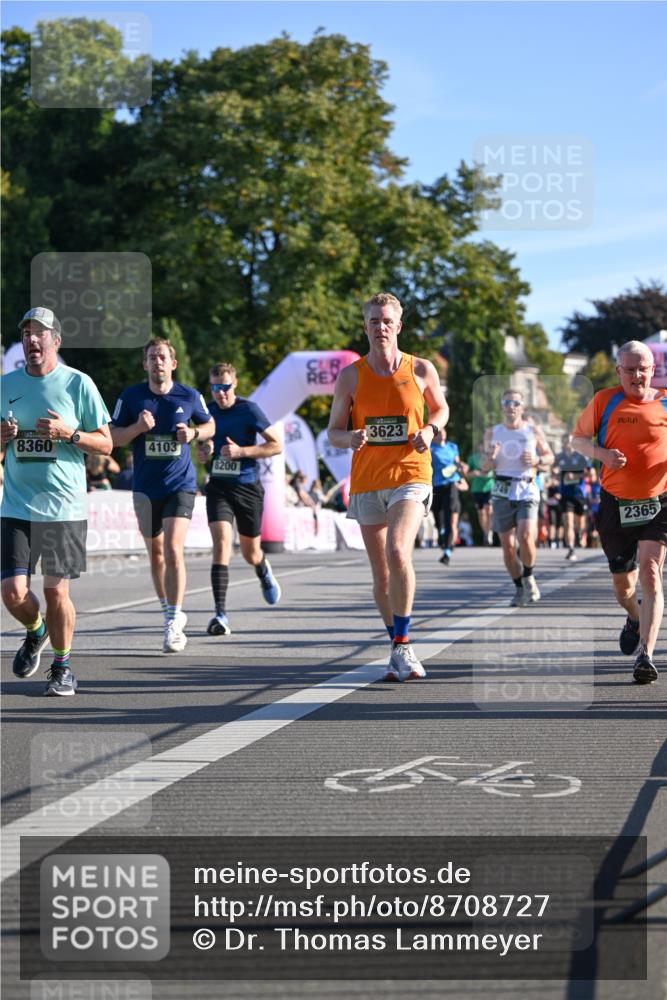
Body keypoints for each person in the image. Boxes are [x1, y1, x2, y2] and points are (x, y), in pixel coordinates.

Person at [327, 292, 448, 682]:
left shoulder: (421, 369)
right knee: (381, 575)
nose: (381, 327)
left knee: (398, 550)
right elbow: (333, 432)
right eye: (374, 321)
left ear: (399, 326)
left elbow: (442, 408)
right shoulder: (351, 375)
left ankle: (404, 642)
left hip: (411, 473)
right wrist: (351, 438)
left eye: (387, 321)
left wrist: (430, 429)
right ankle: (398, 644)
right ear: (365, 327)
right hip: (366, 481)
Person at [1, 307, 112, 696]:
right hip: (16, 505)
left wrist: (69, 433)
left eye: (40, 333)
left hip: (63, 507)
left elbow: (106, 442)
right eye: (27, 333)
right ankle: (36, 631)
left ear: (55, 342)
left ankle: (63, 665)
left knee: (55, 592)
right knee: (12, 593)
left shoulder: (78, 384)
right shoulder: (6, 384)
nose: (32, 339)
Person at [110, 337, 215, 652]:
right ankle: (168, 610)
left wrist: (194, 433)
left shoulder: (189, 395)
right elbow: (113, 438)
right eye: (152, 357)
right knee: (155, 555)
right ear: (145, 364)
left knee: (172, 549)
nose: (157, 362)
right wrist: (137, 429)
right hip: (145, 487)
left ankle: (173, 622)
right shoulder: (131, 397)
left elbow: (210, 425)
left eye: (162, 357)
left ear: (173, 363)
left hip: (180, 484)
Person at [572, 340, 667, 684]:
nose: (637, 375)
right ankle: (635, 617)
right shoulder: (604, 401)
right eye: (630, 369)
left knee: (651, 571)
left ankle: (646, 654)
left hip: (659, 501)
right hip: (616, 502)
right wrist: (604, 455)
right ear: (619, 371)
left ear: (652, 370)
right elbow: (577, 440)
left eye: (643, 368)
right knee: (623, 587)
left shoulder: (665, 403)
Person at [195, 362, 282, 635]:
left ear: (235, 385)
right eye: (215, 387)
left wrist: (242, 452)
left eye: (225, 387)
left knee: (249, 552)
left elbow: (276, 445)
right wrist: (203, 450)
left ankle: (262, 567)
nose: (220, 393)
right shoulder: (206, 412)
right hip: (218, 486)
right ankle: (220, 615)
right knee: (221, 545)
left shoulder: (248, 409)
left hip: (247, 487)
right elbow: (202, 444)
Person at [483, 389, 553, 606]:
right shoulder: (492, 432)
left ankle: (529, 575)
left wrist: (537, 460)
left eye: (515, 402)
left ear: (522, 407)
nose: (511, 406)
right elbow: (484, 466)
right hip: (502, 489)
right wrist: (490, 457)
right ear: (502, 406)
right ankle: (519, 587)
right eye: (507, 402)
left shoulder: (533, 430)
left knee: (525, 537)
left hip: (527, 488)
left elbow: (550, 457)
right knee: (508, 546)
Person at [430, 429, 468, 564]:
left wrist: (462, 466)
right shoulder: (430, 448)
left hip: (451, 484)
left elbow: (457, 463)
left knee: (449, 517)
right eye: (438, 432)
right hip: (435, 485)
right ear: (434, 436)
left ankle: (447, 551)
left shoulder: (452, 447)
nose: (442, 434)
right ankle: (440, 532)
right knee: (436, 514)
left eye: (444, 432)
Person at [553, 433, 589, 561]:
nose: (566, 444)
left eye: (568, 441)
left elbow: (591, 475)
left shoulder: (580, 457)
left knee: (580, 523)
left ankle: (579, 534)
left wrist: (575, 477)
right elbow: (553, 471)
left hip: (579, 494)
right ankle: (571, 548)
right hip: (565, 495)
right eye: (564, 442)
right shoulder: (559, 457)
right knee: (568, 522)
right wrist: (555, 473)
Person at [466, 441, 494, 544]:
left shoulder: (491, 456)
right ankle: (486, 533)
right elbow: (467, 474)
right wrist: (474, 473)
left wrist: (490, 473)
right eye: (481, 445)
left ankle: (489, 532)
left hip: (489, 487)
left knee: (489, 509)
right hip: (477, 489)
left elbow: (497, 470)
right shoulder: (472, 458)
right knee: (481, 513)